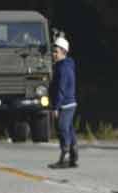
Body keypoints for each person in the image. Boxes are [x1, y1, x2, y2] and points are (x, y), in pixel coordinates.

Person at [48, 37, 78, 168]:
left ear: (64, 52)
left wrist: (56, 107)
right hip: (69, 103)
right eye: (53, 52)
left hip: (65, 104)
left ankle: (65, 158)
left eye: (56, 52)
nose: (53, 54)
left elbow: (61, 88)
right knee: (69, 129)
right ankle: (73, 157)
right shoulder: (63, 65)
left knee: (62, 129)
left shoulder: (63, 68)